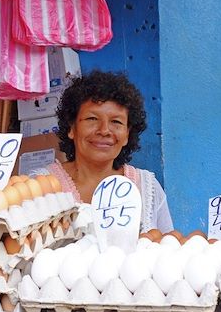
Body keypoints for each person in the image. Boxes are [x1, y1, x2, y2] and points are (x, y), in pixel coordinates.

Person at [41, 70, 173, 233]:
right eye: (92, 119)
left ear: (127, 134)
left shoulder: (148, 189)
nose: (104, 130)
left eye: (116, 122)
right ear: (71, 128)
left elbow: (167, 248)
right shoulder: (42, 186)